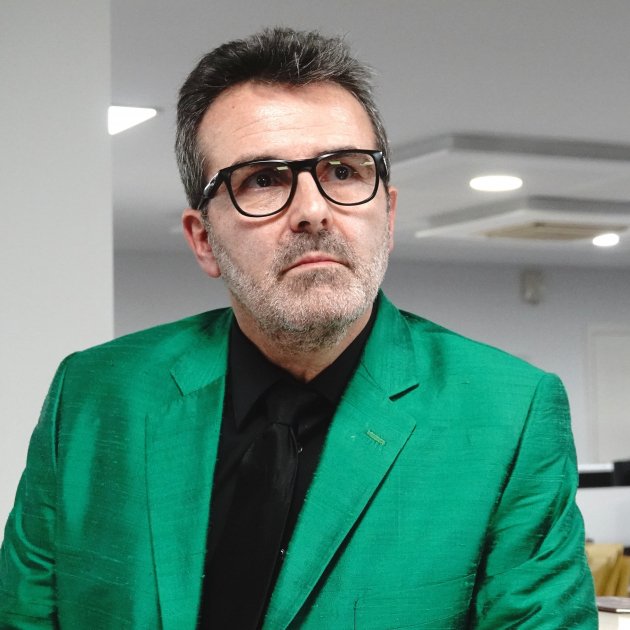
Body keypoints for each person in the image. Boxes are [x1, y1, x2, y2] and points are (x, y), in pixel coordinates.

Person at [0, 27, 597, 629]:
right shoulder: (93, 396)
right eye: (262, 179)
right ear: (203, 240)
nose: (313, 211)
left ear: (388, 216)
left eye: (343, 171)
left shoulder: (509, 416)